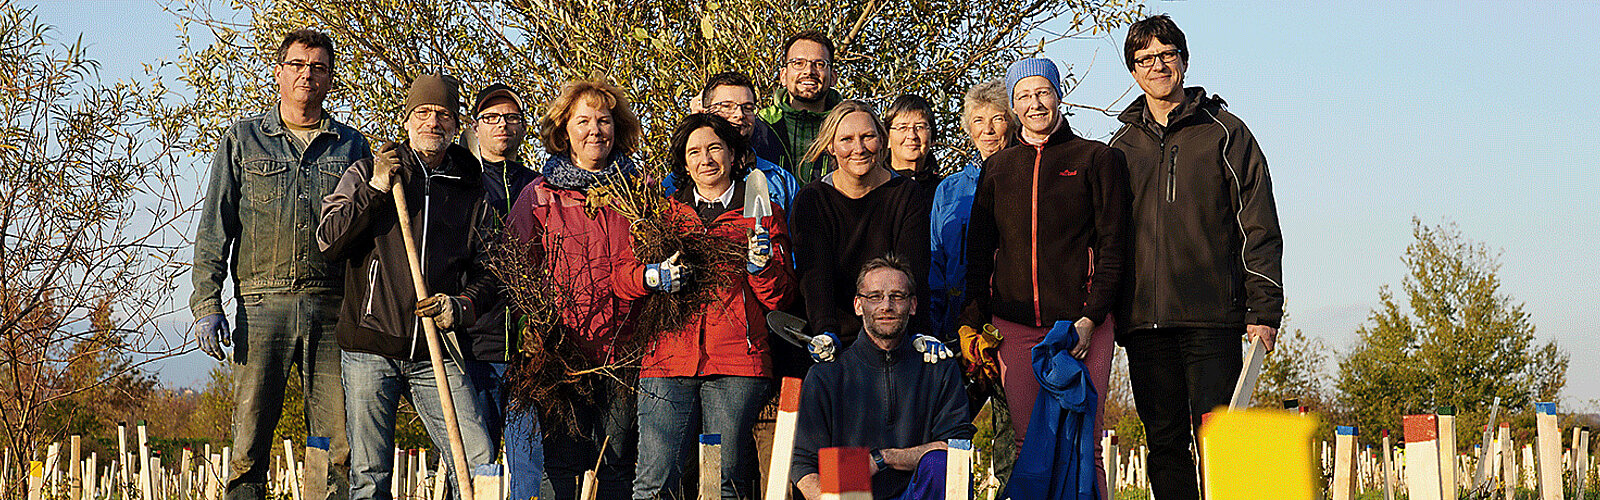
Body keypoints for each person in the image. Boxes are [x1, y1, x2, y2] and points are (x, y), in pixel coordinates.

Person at [1108, 15, 1284, 500]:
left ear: (1184, 62)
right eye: (1145, 59)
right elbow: (1107, 238)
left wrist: (1264, 308)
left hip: (1214, 317)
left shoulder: (1226, 134)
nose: (1157, 66)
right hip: (1145, 322)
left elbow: (1259, 223)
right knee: (1163, 444)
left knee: (1220, 439)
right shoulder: (1118, 148)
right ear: (1133, 72)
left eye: (1166, 55)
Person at [188, 28, 366, 500]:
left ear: (330, 79)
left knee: (334, 440)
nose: (307, 75)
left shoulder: (351, 148)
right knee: (250, 434)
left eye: (319, 67)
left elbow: (367, 237)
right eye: (298, 65)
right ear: (279, 73)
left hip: (331, 309)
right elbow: (214, 228)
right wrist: (207, 303)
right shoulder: (243, 140)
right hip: (262, 305)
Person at [316, 74, 496, 499]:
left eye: (444, 115)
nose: (433, 122)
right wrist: (377, 188)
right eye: (424, 112)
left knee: (477, 459)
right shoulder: (368, 171)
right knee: (371, 473)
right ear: (407, 118)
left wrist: (461, 306)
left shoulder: (471, 190)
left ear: (457, 126)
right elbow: (329, 241)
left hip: (438, 344)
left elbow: (494, 272)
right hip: (370, 346)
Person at [959, 57, 1131, 499]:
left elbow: (1114, 246)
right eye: (1023, 96)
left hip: (1080, 327)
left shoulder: (1098, 158)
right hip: (1014, 327)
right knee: (1024, 443)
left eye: (1043, 93)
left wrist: (1092, 318)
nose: (1034, 104)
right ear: (1013, 107)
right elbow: (979, 251)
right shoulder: (997, 169)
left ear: (1058, 95)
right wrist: (976, 320)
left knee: (1085, 444)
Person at [506, 77, 665, 500]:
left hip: (626, 348)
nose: (595, 130)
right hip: (563, 351)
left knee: (614, 460)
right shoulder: (540, 195)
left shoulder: (640, 193)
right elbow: (516, 268)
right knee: (562, 463)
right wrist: (537, 325)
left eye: (604, 120)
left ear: (619, 129)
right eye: (583, 121)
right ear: (564, 131)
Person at [632, 113, 796, 500]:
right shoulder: (664, 217)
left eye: (714, 148)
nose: (705, 159)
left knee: (724, 481)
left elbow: (780, 297)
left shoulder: (762, 212)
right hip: (667, 359)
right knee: (654, 480)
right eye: (694, 152)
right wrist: (652, 275)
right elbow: (626, 277)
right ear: (684, 163)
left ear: (734, 154)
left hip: (738, 360)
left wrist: (761, 268)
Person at [790, 255, 974, 500]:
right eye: (874, 296)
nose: (886, 305)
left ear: (913, 305)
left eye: (897, 296)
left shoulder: (939, 369)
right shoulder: (827, 376)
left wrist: (883, 458)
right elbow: (802, 463)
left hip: (916, 494)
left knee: (942, 463)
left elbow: (957, 449)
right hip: (851, 494)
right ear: (858, 305)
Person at [789, 100, 943, 364]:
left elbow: (912, 268)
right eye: (846, 139)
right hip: (830, 332)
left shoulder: (907, 195)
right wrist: (825, 330)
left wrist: (919, 331)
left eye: (867, 137)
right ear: (831, 146)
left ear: (882, 141)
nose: (858, 148)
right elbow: (814, 275)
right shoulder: (812, 199)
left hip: (891, 331)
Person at [462, 83, 544, 500]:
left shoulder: (541, 185)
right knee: (477, 464)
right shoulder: (462, 183)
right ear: (475, 127)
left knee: (528, 467)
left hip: (529, 348)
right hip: (476, 344)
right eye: (492, 118)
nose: (502, 126)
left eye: (511, 118)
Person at [928, 79, 1016, 341]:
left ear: (1012, 123)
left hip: (1012, 322)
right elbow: (936, 264)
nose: (987, 130)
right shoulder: (949, 189)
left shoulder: (1028, 180)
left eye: (997, 119)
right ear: (968, 128)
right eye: (978, 120)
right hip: (955, 324)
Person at [666, 72, 800, 212]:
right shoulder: (676, 183)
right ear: (705, 112)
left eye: (747, 108)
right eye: (727, 106)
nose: (739, 115)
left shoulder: (779, 180)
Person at [758, 30, 843, 184]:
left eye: (819, 64)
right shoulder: (761, 125)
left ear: (833, 77)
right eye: (798, 63)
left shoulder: (846, 126)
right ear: (783, 76)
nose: (809, 71)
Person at [882, 94, 942, 205]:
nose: (912, 135)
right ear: (887, 139)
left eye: (920, 127)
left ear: (933, 138)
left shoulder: (945, 192)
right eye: (902, 127)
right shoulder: (874, 188)